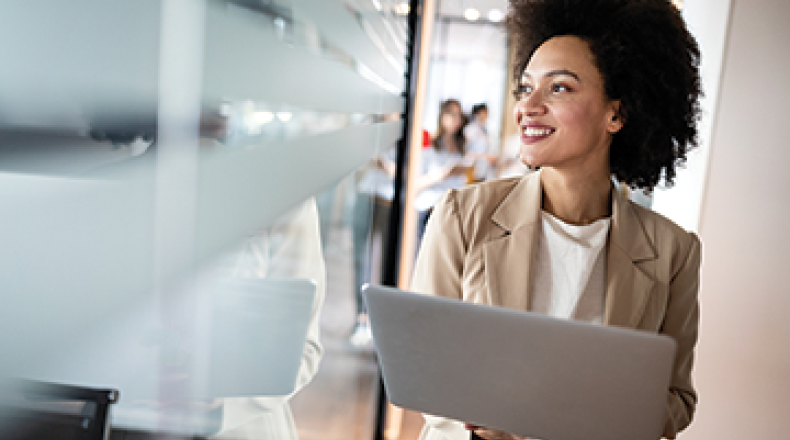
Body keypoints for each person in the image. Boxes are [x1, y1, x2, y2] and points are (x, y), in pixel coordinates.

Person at [410, 1, 702, 440]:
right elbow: (422, 367)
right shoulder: (462, 216)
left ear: (616, 114)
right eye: (526, 87)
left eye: (559, 88)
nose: (528, 106)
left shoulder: (673, 252)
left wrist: (579, 419)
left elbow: (676, 401)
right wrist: (484, 420)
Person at [414, 99, 472, 238]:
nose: (456, 119)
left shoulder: (463, 147)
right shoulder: (429, 145)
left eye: (459, 115)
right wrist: (443, 173)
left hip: (453, 214)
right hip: (430, 210)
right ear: (442, 116)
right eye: (452, 114)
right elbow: (415, 184)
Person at [463, 103, 498, 182]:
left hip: (484, 171)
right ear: (478, 113)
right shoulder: (470, 129)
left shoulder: (484, 129)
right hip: (472, 171)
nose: (487, 114)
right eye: (485, 112)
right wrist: (484, 157)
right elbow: (465, 152)